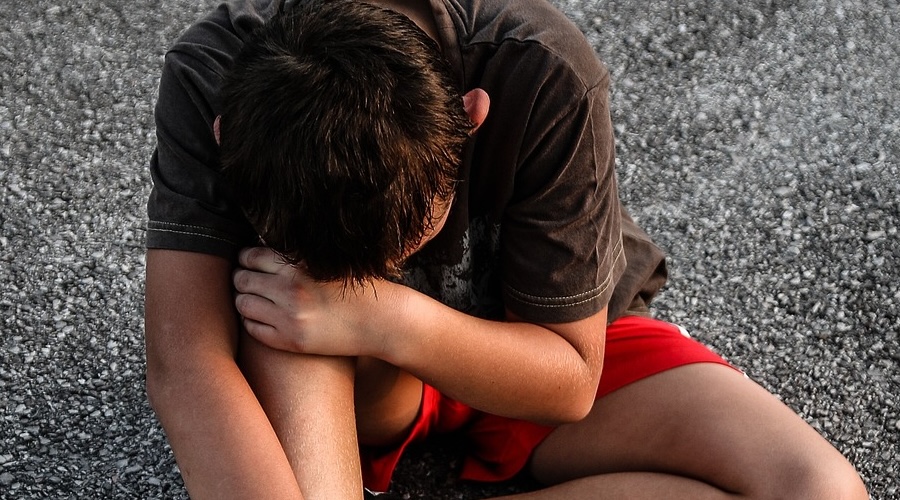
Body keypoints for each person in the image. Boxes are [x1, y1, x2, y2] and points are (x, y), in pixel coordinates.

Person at [144, 0, 869, 498]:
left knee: (821, 489)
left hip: (537, 344)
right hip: (339, 360)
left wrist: (378, 313)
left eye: (405, 240)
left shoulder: (543, 68)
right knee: (276, 298)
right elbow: (186, 360)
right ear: (223, 138)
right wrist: (342, 313)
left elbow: (570, 381)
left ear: (470, 119)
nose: (386, 268)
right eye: (355, 266)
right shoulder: (214, 74)